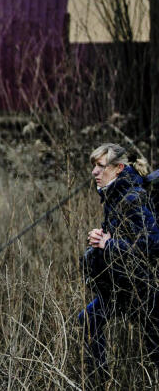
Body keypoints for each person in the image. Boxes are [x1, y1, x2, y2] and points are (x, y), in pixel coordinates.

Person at [78, 143, 159, 381]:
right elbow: (125, 236)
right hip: (120, 285)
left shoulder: (132, 197)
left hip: (142, 289)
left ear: (118, 168)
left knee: (155, 347)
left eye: (101, 166)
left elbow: (152, 244)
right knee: (89, 319)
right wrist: (101, 239)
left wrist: (108, 244)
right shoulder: (114, 195)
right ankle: (100, 381)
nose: (94, 172)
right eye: (94, 166)